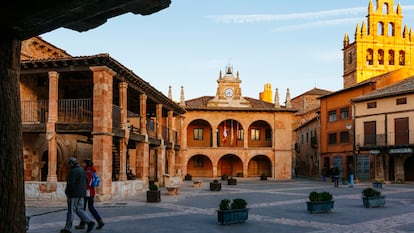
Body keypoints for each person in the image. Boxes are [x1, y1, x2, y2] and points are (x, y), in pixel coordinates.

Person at [61, 157, 95, 233]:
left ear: (71, 163)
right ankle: (89, 222)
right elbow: (86, 181)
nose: (68, 166)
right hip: (81, 194)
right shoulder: (82, 170)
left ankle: (67, 228)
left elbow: (70, 184)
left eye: (69, 164)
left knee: (71, 211)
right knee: (79, 209)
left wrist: (68, 193)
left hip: (73, 194)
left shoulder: (73, 171)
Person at [75, 159, 104, 230]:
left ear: (87, 164)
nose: (82, 164)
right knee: (84, 208)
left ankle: (99, 222)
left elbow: (88, 183)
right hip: (90, 192)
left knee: (88, 208)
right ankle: (83, 224)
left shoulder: (88, 172)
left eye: (84, 163)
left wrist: (82, 188)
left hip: (87, 193)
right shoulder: (90, 171)